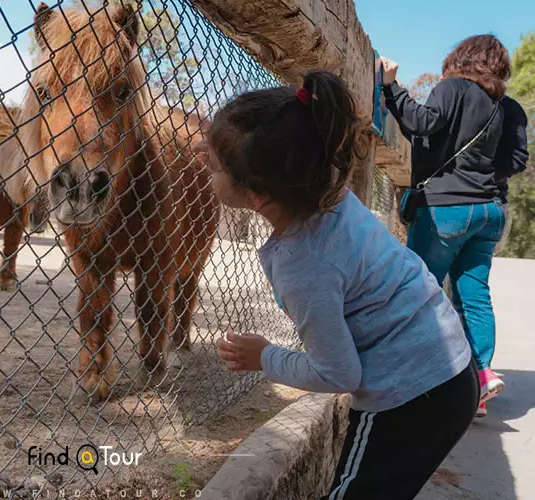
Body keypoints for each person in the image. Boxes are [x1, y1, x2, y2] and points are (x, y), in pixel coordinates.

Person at [200, 70, 478, 500]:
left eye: (213, 166)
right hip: (445, 372)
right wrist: (224, 151)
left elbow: (339, 373)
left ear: (255, 196)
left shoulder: (303, 265)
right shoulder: (326, 189)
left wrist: (266, 357)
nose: (205, 166)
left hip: (411, 398)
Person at [379, 34, 528, 417]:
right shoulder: (507, 107)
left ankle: (412, 378)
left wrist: (391, 87)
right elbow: (516, 160)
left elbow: (421, 122)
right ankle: (480, 377)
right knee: (474, 296)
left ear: (460, 58)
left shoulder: (453, 88)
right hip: (490, 212)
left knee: (417, 290)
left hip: (447, 209)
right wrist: (478, 178)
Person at [493, 96, 530, 255]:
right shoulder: (456, 99)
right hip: (444, 200)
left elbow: (518, 158)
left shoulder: (508, 107)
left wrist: (477, 177)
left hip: (493, 200)